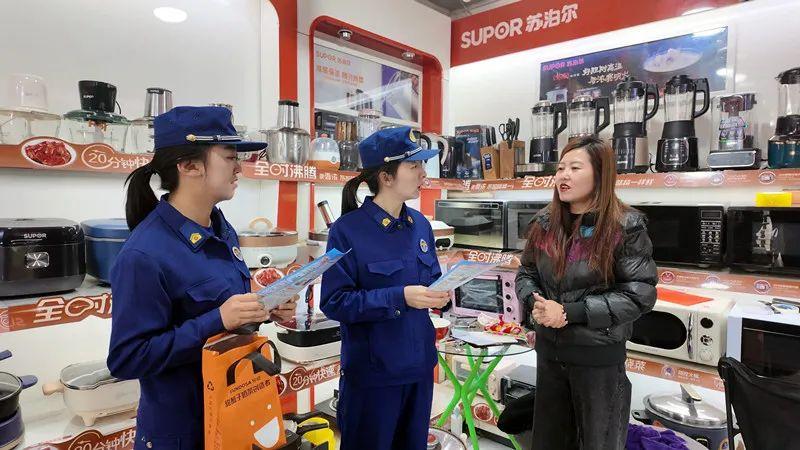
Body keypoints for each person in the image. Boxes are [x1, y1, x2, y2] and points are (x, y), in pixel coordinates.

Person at [106, 106, 297, 450]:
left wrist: (264, 307)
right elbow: (128, 358)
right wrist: (218, 319)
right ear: (189, 166)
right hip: (183, 431)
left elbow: (224, 308)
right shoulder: (144, 255)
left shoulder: (221, 228)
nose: (239, 168)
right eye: (229, 157)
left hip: (235, 410)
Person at [515, 136, 657, 450]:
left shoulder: (625, 226)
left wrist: (569, 312)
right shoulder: (545, 223)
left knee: (598, 442)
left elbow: (639, 295)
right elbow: (526, 273)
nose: (563, 175)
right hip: (550, 357)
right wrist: (534, 301)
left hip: (598, 361)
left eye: (575, 168)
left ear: (600, 174)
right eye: (560, 168)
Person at [320, 127, 450, 450]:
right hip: (373, 379)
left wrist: (444, 295)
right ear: (386, 176)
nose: (423, 173)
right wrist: (399, 297)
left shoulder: (420, 224)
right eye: (414, 166)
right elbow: (335, 301)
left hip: (419, 370)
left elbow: (432, 279)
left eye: (422, 165)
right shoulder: (347, 230)